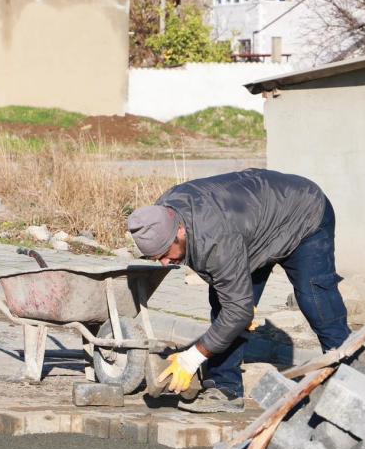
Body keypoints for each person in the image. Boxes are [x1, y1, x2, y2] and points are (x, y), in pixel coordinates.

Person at [127, 168, 349, 413]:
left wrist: (191, 358)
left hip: (303, 213)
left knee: (314, 298)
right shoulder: (161, 217)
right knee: (226, 306)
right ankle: (225, 389)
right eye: (157, 257)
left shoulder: (215, 239)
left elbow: (237, 307)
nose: (165, 263)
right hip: (252, 231)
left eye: (166, 254)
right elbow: (231, 300)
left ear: (180, 231)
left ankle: (349, 370)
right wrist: (239, 306)